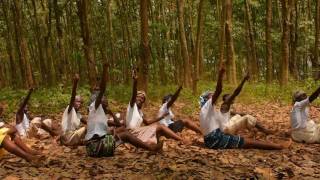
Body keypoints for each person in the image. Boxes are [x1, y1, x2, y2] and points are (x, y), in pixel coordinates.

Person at [200, 67, 291, 149]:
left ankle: (257, 133)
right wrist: (220, 75)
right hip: (216, 137)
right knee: (248, 141)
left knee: (240, 117)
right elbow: (224, 91)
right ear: (208, 99)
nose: (214, 97)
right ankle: (278, 145)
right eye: (211, 96)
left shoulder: (206, 110)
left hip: (212, 137)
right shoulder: (221, 105)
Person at [85, 65, 162, 157]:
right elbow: (103, 89)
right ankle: (151, 148)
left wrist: (112, 113)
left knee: (122, 129)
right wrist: (105, 70)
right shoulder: (95, 108)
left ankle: (139, 145)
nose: (106, 100)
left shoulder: (101, 116)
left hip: (96, 147)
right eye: (104, 98)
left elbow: (118, 125)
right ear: (99, 100)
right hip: (94, 148)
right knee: (125, 135)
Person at [126, 69, 187, 145]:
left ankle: (155, 145)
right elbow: (133, 94)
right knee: (160, 127)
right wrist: (135, 82)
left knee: (158, 130)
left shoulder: (140, 112)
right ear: (135, 98)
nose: (140, 99)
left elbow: (148, 122)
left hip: (137, 132)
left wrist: (162, 117)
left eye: (142, 98)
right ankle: (182, 140)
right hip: (131, 133)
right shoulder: (132, 106)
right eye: (139, 97)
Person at [60, 74, 86, 146]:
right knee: (87, 129)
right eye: (77, 101)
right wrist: (75, 83)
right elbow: (72, 96)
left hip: (73, 136)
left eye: (80, 102)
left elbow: (88, 122)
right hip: (67, 137)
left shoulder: (79, 115)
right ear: (73, 102)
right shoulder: (70, 109)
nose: (79, 103)